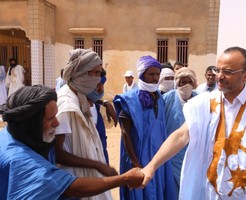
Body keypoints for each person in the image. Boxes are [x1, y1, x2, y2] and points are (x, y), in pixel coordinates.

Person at [140, 47, 246, 200]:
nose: (220, 76)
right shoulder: (204, 103)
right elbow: (182, 135)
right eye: (218, 70)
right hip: (207, 193)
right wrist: (152, 166)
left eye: (228, 72)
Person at [0, 85, 144, 199]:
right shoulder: (20, 160)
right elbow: (72, 188)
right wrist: (124, 178)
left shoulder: (14, 132)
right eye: (50, 119)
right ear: (32, 123)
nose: (57, 123)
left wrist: (97, 165)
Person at [54, 49, 117, 200]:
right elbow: (58, 153)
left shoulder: (80, 98)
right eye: (95, 73)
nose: (98, 79)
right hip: (74, 183)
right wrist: (97, 165)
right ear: (81, 74)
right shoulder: (65, 105)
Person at [114, 55, 176, 200]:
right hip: (138, 156)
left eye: (157, 74)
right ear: (142, 75)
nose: (155, 78)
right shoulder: (129, 99)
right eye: (151, 74)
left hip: (157, 156)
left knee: (159, 189)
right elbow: (125, 133)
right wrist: (136, 163)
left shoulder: (159, 98)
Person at [162, 67, 198, 198]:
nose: (186, 85)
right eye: (183, 81)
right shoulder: (166, 99)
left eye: (189, 81)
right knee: (172, 187)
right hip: (172, 154)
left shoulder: (199, 101)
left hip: (193, 153)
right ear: (177, 83)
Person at [90, 70, 118, 164]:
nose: (101, 89)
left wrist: (105, 103)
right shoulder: (76, 109)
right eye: (98, 85)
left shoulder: (94, 104)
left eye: (103, 85)